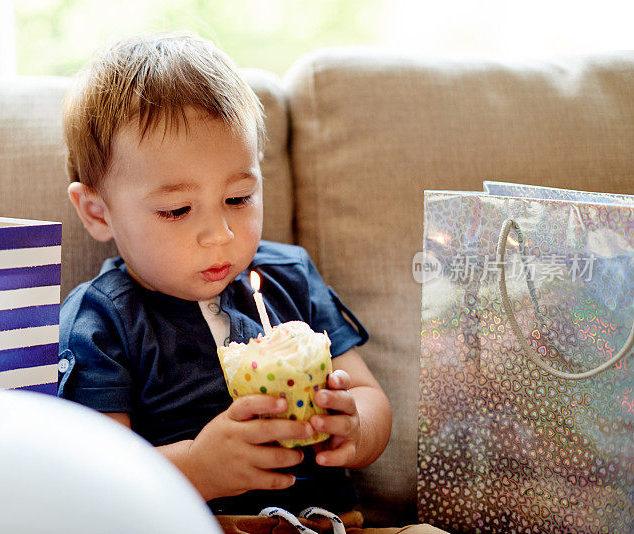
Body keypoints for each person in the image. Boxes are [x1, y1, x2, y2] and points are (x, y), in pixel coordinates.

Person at [58, 32, 440, 533]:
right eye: (177, 210)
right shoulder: (101, 322)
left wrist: (353, 426)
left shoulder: (290, 276)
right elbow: (95, 481)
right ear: (96, 210)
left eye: (238, 198)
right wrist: (199, 466)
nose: (220, 235)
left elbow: (371, 400)